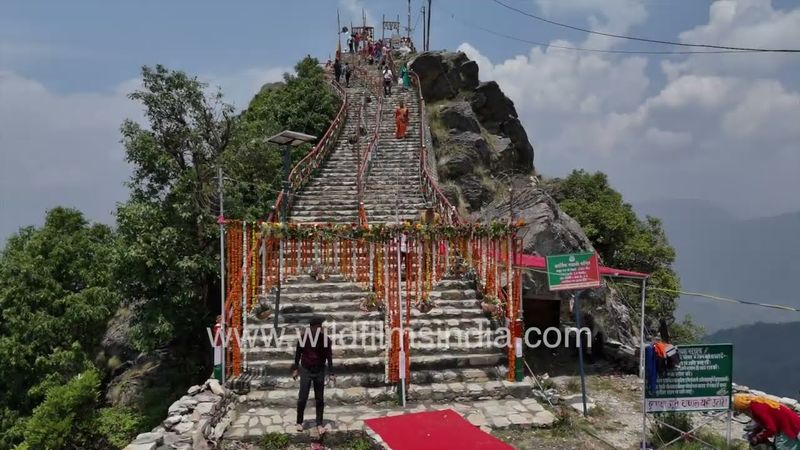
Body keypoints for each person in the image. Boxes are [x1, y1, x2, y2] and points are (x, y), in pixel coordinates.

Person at [292, 316, 334, 435]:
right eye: (316, 327)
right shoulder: (303, 338)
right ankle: (299, 421)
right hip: (305, 369)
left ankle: (319, 423)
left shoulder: (325, 340)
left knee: (319, 398)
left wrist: (331, 372)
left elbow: (329, 357)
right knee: (302, 398)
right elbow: (298, 354)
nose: (319, 329)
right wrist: (295, 368)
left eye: (319, 327)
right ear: (312, 328)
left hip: (319, 370)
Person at [733, 394, 800, 449]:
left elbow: (771, 429)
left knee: (783, 447)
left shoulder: (757, 409)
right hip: (790, 423)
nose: (742, 413)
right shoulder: (756, 404)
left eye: (741, 410)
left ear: (743, 407)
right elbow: (764, 422)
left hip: (789, 427)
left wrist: (758, 438)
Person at [211, 315, 223, 381]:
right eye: (220, 319)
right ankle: (218, 374)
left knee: (219, 357)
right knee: (218, 358)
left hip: (220, 342)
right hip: (218, 343)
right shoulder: (217, 326)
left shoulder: (220, 326)